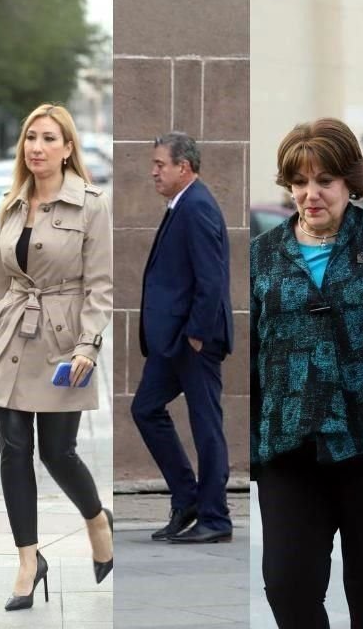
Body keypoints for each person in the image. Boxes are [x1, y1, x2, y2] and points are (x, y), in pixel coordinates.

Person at [0, 103, 113, 611]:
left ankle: (97, 519)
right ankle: (29, 561)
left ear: (68, 147)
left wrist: (88, 344)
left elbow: (101, 286)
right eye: (31, 137)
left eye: (49, 138)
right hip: (11, 337)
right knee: (13, 450)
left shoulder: (92, 205)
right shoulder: (13, 202)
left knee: (58, 452)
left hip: (61, 340)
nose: (37, 146)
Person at [251, 118, 363, 627]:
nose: (310, 194)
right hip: (287, 449)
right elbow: (251, 356)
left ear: (350, 181)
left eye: (323, 181)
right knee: (288, 587)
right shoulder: (262, 254)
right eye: (299, 182)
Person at [130, 132, 234, 543]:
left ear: (183, 167)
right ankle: (187, 497)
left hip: (193, 340)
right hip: (172, 341)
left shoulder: (197, 206)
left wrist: (196, 334)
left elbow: (212, 279)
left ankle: (215, 518)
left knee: (207, 425)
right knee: (145, 409)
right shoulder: (182, 204)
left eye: (160, 164)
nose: (153, 171)